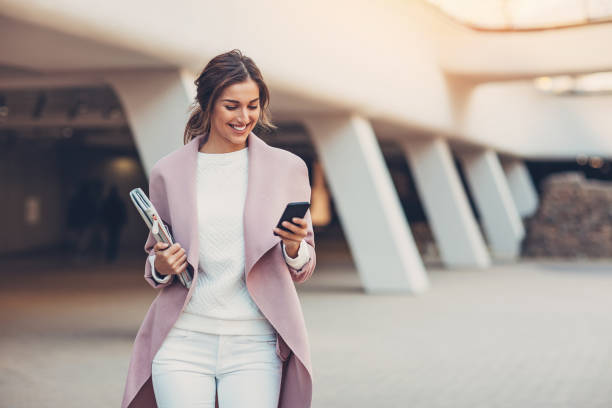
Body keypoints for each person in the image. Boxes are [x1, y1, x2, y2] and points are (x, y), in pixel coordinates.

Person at [122, 50, 316, 408]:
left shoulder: (287, 168)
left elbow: (303, 265)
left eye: (253, 105)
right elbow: (155, 258)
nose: (245, 118)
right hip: (182, 340)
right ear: (208, 104)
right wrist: (162, 266)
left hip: (254, 344)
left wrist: (293, 246)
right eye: (232, 106)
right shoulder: (169, 171)